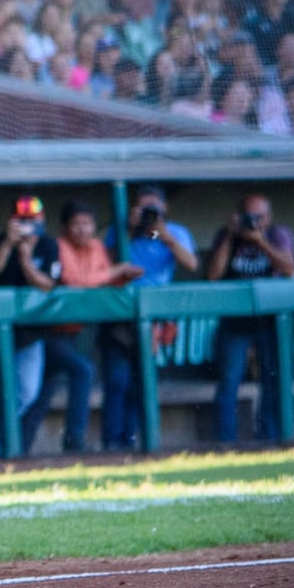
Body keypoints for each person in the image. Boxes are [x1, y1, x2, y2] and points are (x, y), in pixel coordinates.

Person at [21, 200, 140, 454]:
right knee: (82, 371)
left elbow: (101, 280)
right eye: (76, 224)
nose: (82, 229)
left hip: (74, 332)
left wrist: (118, 276)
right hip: (48, 331)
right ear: (65, 227)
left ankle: (20, 447)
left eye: (87, 224)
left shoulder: (96, 247)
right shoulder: (57, 245)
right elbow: (75, 282)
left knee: (42, 394)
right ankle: (74, 444)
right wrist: (112, 272)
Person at [102, 186, 198, 450]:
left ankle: (133, 440)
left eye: (152, 208)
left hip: (153, 317)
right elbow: (104, 263)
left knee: (141, 381)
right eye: (142, 208)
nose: (148, 214)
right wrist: (129, 229)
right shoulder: (122, 232)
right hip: (120, 313)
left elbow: (191, 263)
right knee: (117, 381)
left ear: (164, 208)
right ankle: (112, 442)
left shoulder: (167, 233)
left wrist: (163, 234)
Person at [0, 194, 61, 457]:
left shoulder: (47, 245)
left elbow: (48, 285)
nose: (28, 226)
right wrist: (10, 244)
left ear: (42, 220)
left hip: (30, 333)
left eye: (32, 220)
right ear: (13, 220)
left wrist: (26, 257)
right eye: (23, 220)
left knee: (25, 393)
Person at [205, 194, 294, 443]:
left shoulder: (277, 234)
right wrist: (230, 234)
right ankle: (226, 442)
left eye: (259, 217)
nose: (253, 221)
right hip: (235, 321)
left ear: (268, 217)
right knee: (229, 380)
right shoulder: (227, 236)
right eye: (249, 216)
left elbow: (289, 268)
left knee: (273, 379)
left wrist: (261, 241)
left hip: (271, 320)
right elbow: (213, 275)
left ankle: (271, 438)